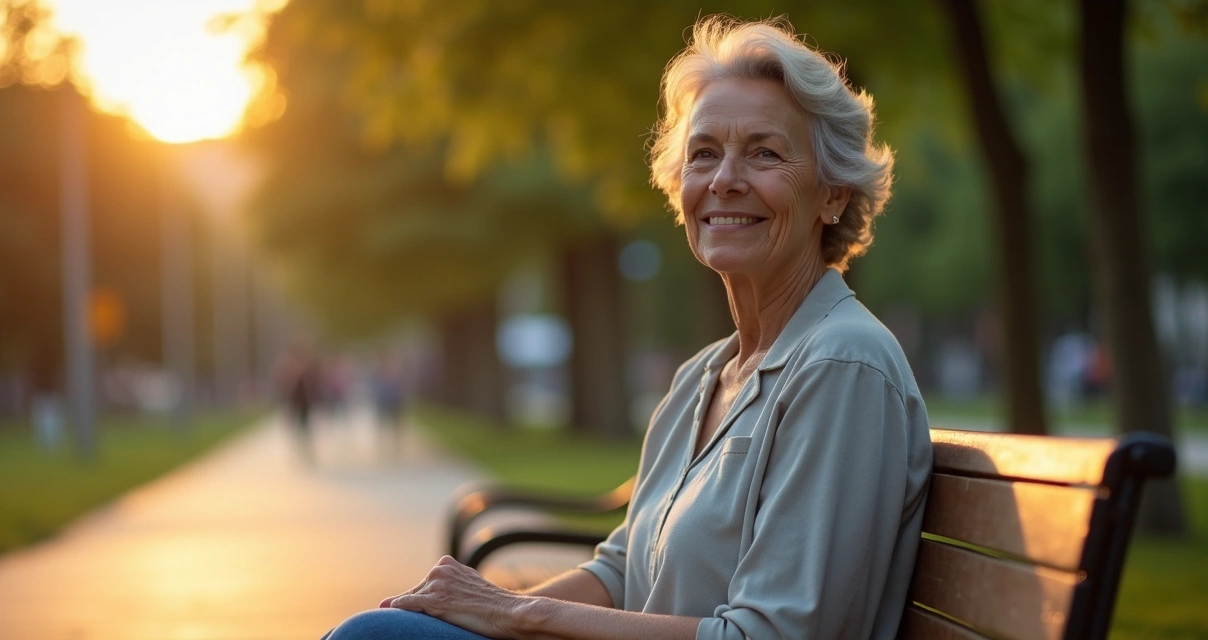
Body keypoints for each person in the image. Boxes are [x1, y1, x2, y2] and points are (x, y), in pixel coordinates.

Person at [323, 15, 932, 640]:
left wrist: (518, 614)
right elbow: (619, 571)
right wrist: (487, 615)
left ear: (833, 194)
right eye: (703, 154)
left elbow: (772, 636)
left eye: (764, 153)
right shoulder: (702, 377)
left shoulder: (842, 366)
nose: (724, 180)